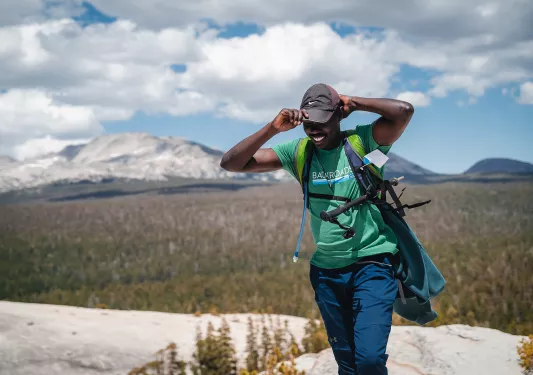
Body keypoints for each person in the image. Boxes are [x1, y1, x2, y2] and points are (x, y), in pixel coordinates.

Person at [220, 83, 414, 375]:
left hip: (372, 265)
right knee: (347, 364)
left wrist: (354, 102)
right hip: (326, 272)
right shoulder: (299, 151)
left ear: (338, 116)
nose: (314, 129)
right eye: (309, 122)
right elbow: (232, 163)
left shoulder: (363, 142)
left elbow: (403, 112)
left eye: (322, 120)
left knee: (370, 360)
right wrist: (273, 128)